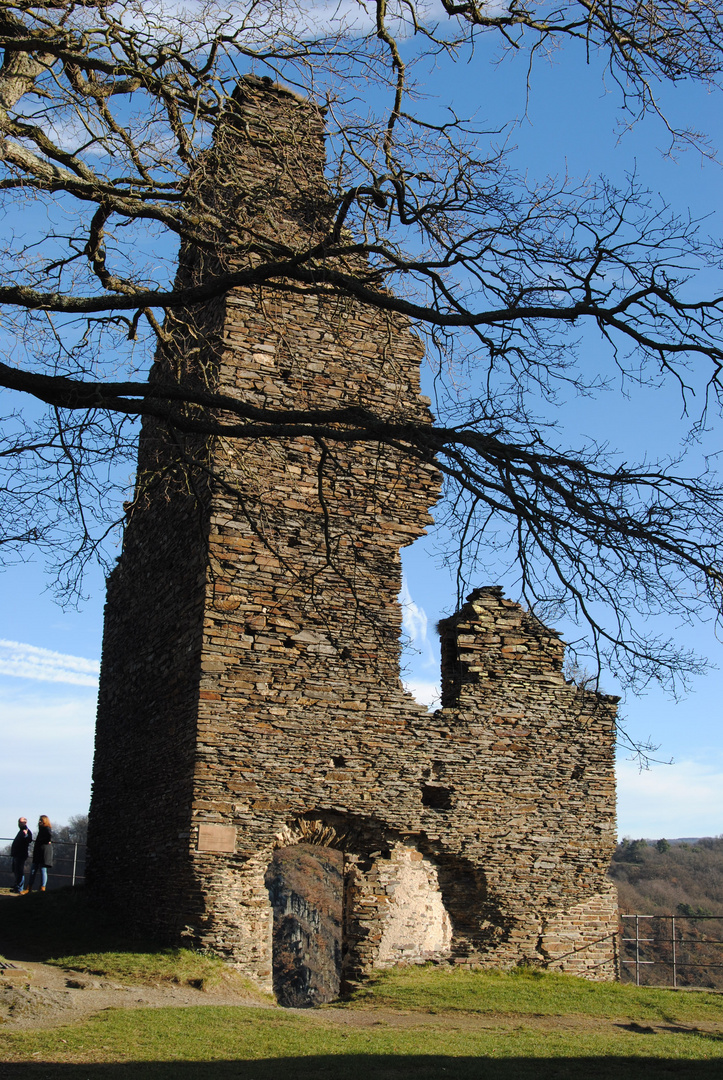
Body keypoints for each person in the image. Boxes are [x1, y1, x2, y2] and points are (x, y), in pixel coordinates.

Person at [24, 816, 52, 894]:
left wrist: (44, 841)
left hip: (43, 853)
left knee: (42, 870)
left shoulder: (46, 829)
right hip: (38, 852)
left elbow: (49, 837)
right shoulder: (42, 829)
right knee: (33, 870)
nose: (39, 821)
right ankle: (29, 887)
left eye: (41, 820)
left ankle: (42, 888)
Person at [10, 817, 32, 894]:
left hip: (21, 854)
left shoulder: (26, 831)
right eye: (19, 822)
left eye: (21, 822)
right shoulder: (21, 831)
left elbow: (29, 840)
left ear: (25, 823)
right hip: (17, 854)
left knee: (19, 871)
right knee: (16, 870)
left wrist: (26, 835)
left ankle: (19, 887)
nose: (19, 824)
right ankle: (17, 886)